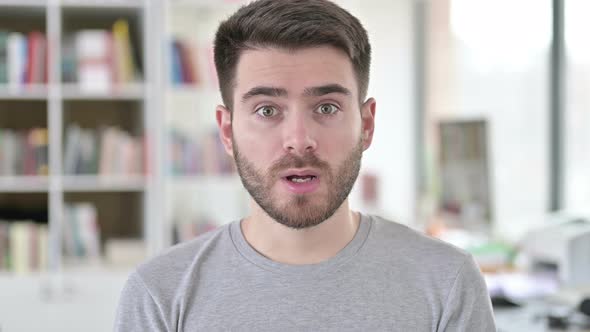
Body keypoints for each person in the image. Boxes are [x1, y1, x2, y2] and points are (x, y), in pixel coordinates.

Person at [114, 0, 496, 330]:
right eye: (267, 110)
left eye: (326, 107)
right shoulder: (159, 294)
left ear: (366, 125)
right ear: (226, 131)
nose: (298, 138)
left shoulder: (448, 282)